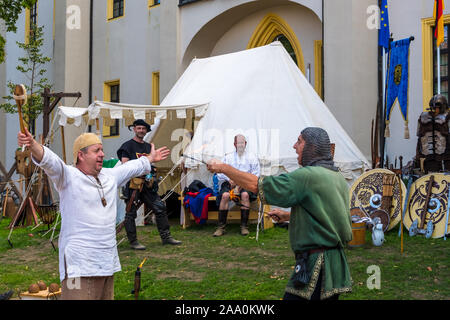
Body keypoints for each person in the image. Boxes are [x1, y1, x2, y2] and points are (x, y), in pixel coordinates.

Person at [18, 128, 170, 300]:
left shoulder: (109, 176)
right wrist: (32, 144)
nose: (102, 154)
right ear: (81, 155)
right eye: (96, 150)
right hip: (78, 266)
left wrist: (150, 158)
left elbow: (131, 167)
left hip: (105, 262)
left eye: (102, 150)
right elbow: (49, 160)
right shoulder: (68, 176)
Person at [207, 127, 353, 300]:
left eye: (299, 141)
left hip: (316, 263)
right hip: (335, 264)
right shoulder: (337, 178)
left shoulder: (308, 176)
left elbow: (259, 186)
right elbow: (330, 214)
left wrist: (224, 168)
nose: (294, 146)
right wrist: (290, 216)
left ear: (312, 147)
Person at [117, 119, 181, 249]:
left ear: (146, 131)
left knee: (160, 207)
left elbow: (152, 166)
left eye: (143, 128)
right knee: (131, 213)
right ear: (134, 129)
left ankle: (166, 237)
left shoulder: (148, 147)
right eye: (138, 128)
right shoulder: (127, 146)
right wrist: (136, 174)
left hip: (147, 185)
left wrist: (151, 176)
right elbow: (125, 165)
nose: (141, 130)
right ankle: (133, 242)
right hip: (133, 185)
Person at [213, 134, 260, 237]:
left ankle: (244, 227)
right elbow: (220, 173)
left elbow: (256, 174)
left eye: (242, 143)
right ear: (234, 144)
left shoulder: (252, 157)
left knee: (245, 196)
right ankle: (221, 228)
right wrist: (229, 179)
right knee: (225, 196)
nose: (240, 145)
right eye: (238, 143)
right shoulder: (228, 157)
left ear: (246, 144)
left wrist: (243, 182)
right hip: (230, 183)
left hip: (246, 184)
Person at [415, 94, 450, 173]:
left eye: (438, 107)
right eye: (435, 107)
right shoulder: (423, 117)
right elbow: (419, 139)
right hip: (427, 158)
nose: (436, 109)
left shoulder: (448, 117)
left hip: (445, 159)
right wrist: (418, 157)